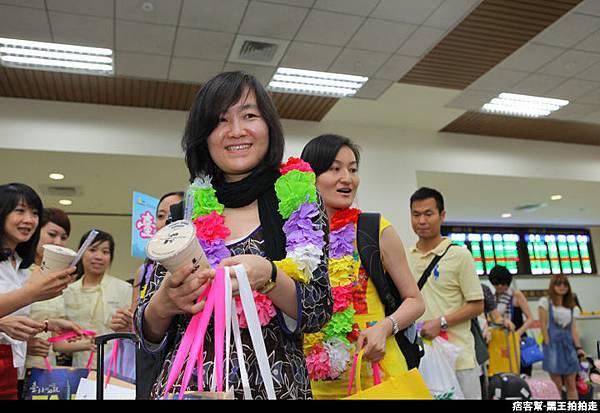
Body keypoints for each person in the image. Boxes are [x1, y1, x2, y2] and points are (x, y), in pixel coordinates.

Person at [135, 71, 332, 399]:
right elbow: (146, 329)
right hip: (191, 388)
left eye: (249, 115)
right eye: (220, 120)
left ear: (269, 125)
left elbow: (319, 309)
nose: (237, 131)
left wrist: (269, 277)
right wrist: (166, 303)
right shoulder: (185, 212)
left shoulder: (297, 200)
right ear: (204, 135)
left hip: (275, 388)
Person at [300, 134, 425, 399]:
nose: (347, 178)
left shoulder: (374, 229)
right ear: (310, 176)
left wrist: (385, 327)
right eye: (335, 169)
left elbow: (415, 301)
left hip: (379, 377)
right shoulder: (295, 239)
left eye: (353, 169)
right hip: (315, 384)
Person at [0, 183, 77, 399]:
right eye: (20, 211)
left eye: (34, 213)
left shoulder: (19, 265)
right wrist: (34, 292)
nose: (29, 220)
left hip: (13, 366)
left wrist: (47, 325)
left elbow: (12, 319)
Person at [407, 187, 484, 399]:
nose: (421, 220)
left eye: (428, 214)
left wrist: (440, 322)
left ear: (442, 216)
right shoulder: (405, 256)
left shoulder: (460, 255)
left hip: (459, 358)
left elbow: (477, 305)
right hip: (421, 359)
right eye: (416, 214)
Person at [135, 191, 184, 399]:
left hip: (178, 354)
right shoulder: (145, 269)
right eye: (161, 215)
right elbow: (136, 317)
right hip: (150, 356)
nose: (167, 221)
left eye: (173, 214)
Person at [60, 230, 132, 368]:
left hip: (115, 370)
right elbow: (60, 339)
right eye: (92, 250)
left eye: (105, 252)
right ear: (81, 253)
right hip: (80, 369)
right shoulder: (67, 292)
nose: (98, 256)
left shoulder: (124, 289)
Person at [25, 208, 72, 369]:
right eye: (52, 235)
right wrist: (22, 345)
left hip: (44, 371)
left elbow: (56, 340)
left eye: (63, 237)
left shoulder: (56, 279)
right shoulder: (19, 271)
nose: (58, 242)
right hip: (13, 366)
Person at [539, 275, 586, 400]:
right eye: (558, 284)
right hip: (553, 346)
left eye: (565, 284)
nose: (562, 287)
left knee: (571, 383)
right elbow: (542, 324)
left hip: (569, 346)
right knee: (556, 385)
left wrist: (579, 347)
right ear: (552, 285)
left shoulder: (571, 306)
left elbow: (573, 329)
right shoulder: (545, 302)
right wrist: (548, 343)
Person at [488, 265, 534, 376]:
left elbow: (530, 318)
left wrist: (517, 334)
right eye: (496, 283)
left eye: (503, 283)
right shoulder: (494, 298)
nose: (500, 286)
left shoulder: (516, 295)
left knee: (520, 375)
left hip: (517, 340)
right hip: (500, 343)